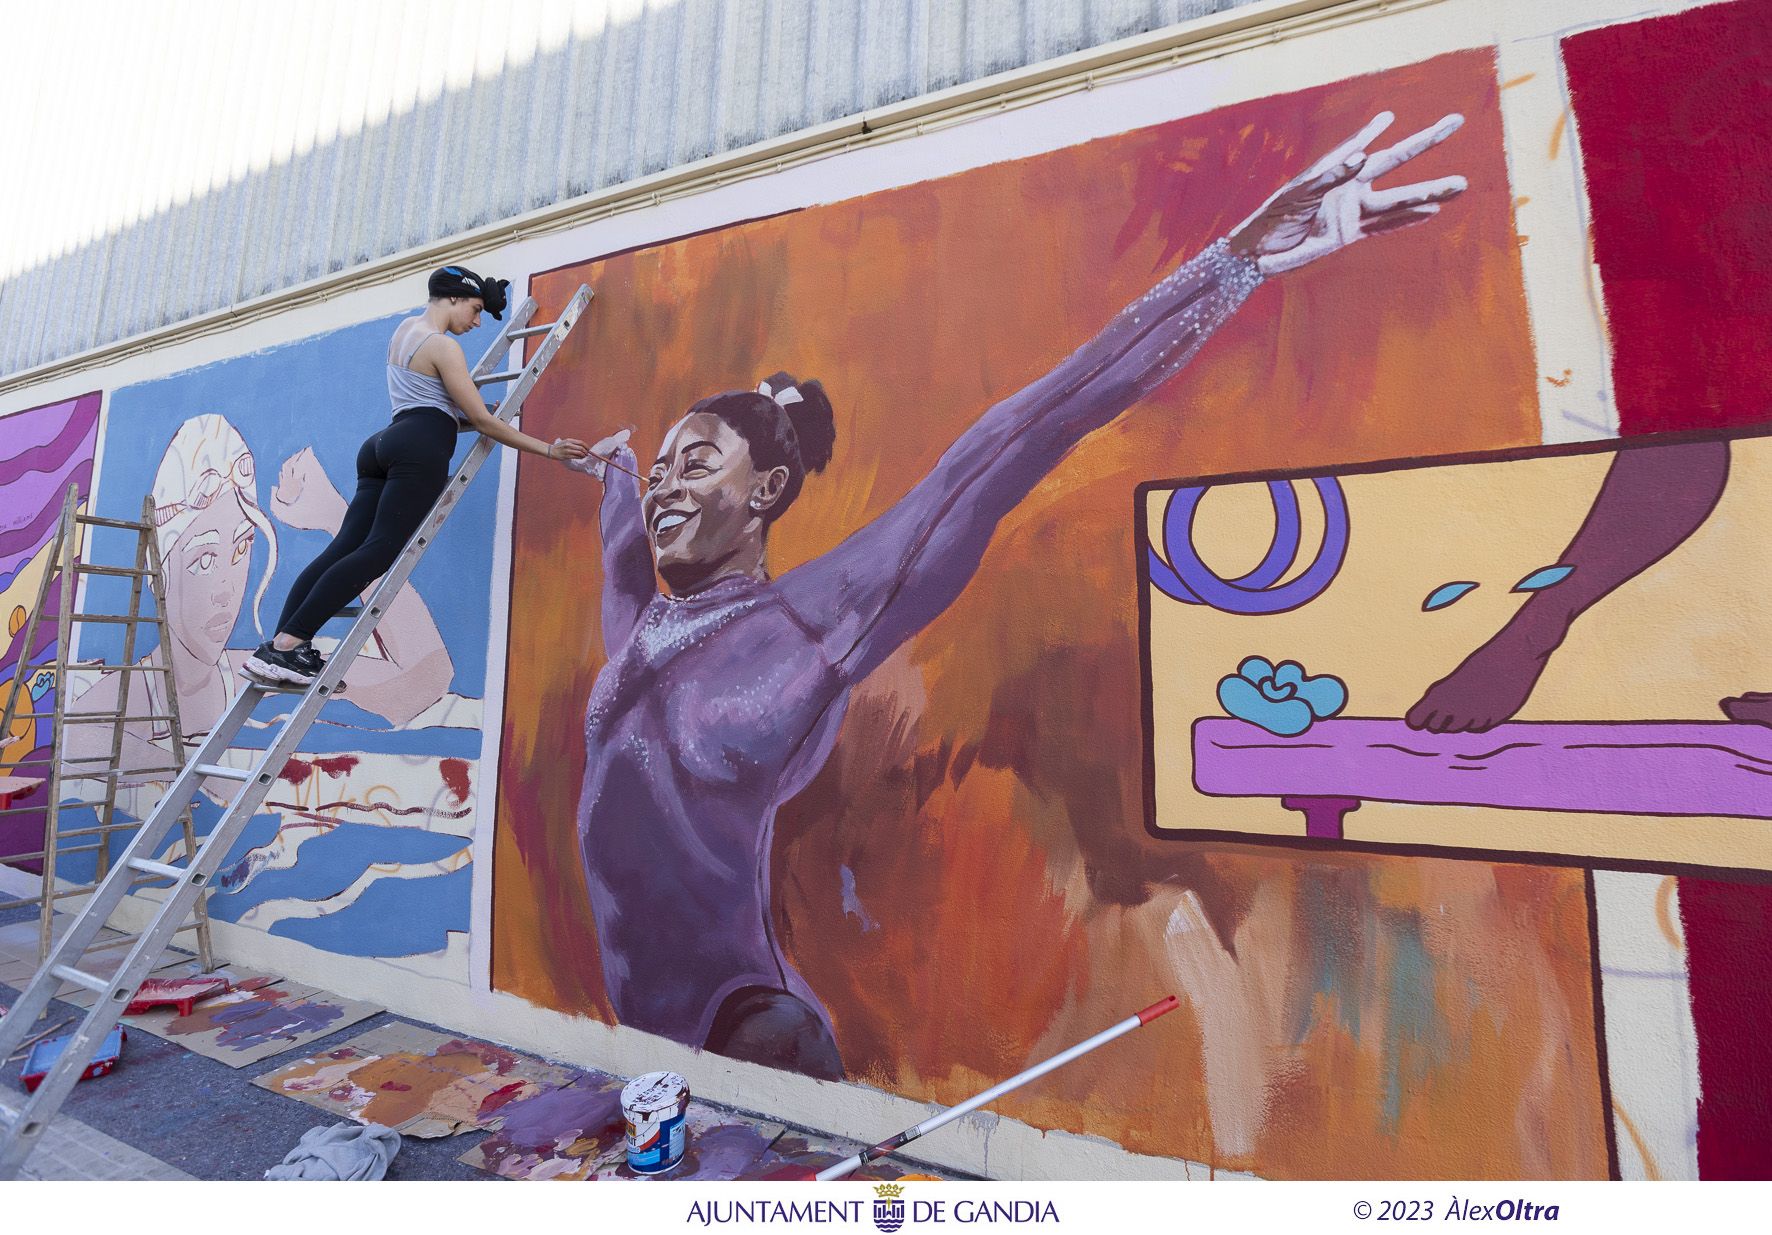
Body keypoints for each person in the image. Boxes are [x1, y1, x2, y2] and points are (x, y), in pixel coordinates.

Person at [570, 112, 1471, 1078]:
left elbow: (1015, 438)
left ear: (767, 492)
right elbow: (626, 537)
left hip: (748, 1031)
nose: (668, 483)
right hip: (647, 1063)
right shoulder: (638, 631)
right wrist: (620, 475)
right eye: (663, 470)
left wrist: (1235, 263)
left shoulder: (812, 622)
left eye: (695, 463)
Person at [245, 266, 591, 686]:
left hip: (382, 444)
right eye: (476, 309)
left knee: (344, 548)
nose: (477, 322)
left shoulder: (403, 332)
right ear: (452, 298)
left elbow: (430, 399)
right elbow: (482, 421)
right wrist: (550, 450)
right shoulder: (444, 348)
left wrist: (459, 409)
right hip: (419, 448)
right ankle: (290, 644)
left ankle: (285, 647)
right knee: (379, 552)